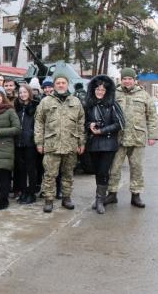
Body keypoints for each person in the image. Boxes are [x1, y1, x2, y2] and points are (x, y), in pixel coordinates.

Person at [105, 67, 158, 208]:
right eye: (124, 79)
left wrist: (153, 135)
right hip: (118, 138)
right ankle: (112, 193)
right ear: (121, 80)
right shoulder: (113, 94)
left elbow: (152, 116)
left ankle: (136, 195)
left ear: (135, 80)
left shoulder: (144, 95)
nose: (127, 81)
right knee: (114, 167)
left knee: (137, 168)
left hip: (137, 137)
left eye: (130, 79)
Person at [35, 73, 85, 213]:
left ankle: (66, 198)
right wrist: (39, 142)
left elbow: (81, 123)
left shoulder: (75, 101)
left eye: (63, 82)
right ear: (54, 85)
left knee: (68, 174)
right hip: (52, 144)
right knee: (50, 174)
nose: (61, 85)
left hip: (70, 144)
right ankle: (49, 200)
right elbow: (39, 123)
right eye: (58, 83)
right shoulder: (46, 102)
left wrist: (81, 142)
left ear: (67, 84)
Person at [85, 75, 124, 214]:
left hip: (108, 143)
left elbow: (120, 124)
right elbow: (83, 121)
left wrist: (102, 130)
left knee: (103, 171)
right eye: (97, 89)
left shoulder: (113, 104)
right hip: (93, 144)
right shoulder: (89, 105)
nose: (100, 92)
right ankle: (99, 198)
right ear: (93, 90)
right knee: (97, 172)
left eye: (102, 89)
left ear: (106, 91)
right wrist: (90, 125)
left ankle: (100, 200)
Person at [14, 84, 39, 204]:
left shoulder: (35, 106)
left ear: (29, 93)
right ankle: (23, 191)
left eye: (25, 92)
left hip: (30, 143)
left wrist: (33, 135)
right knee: (20, 169)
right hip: (18, 142)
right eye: (20, 93)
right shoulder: (16, 106)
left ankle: (31, 192)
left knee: (31, 168)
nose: (22, 95)